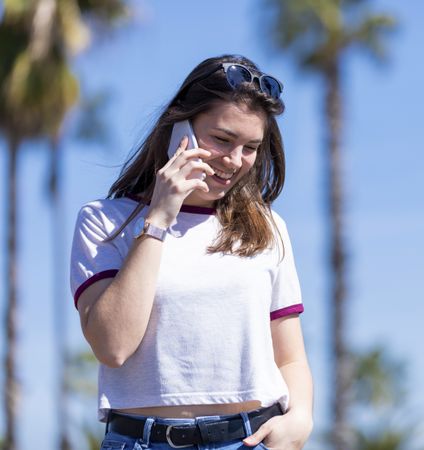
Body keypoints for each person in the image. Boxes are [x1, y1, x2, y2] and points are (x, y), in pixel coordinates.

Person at [70, 54, 313, 450]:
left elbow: (290, 357)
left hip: (250, 440)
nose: (234, 161)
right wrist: (159, 219)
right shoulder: (104, 221)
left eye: (250, 147)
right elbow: (113, 345)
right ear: (178, 127)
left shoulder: (268, 227)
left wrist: (300, 420)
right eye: (222, 139)